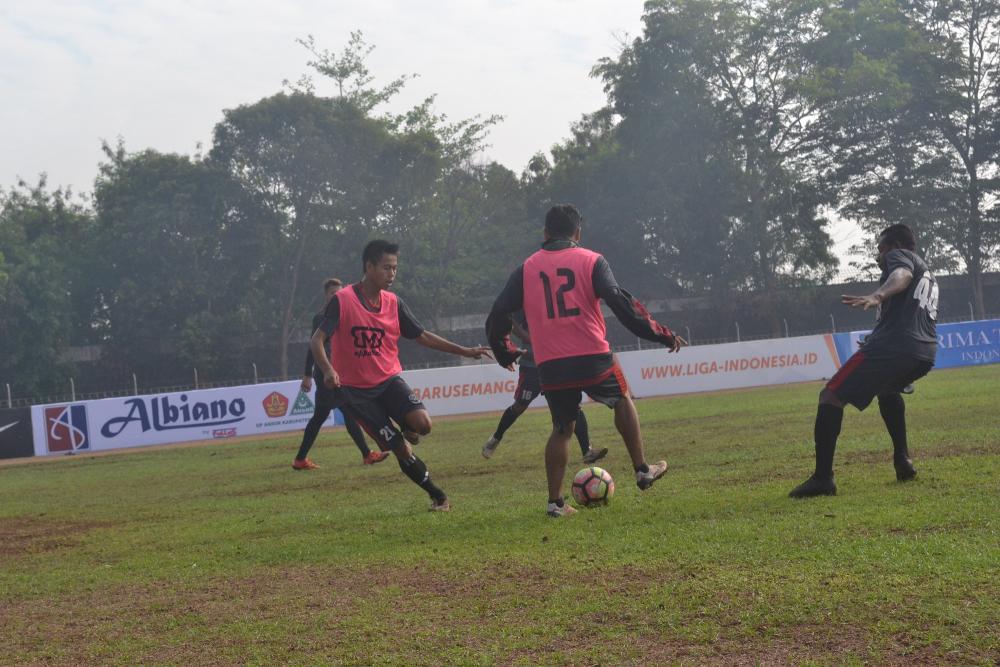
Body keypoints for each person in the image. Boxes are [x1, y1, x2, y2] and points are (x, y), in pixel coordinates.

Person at [486, 204, 686, 518]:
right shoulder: (592, 260)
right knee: (621, 399)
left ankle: (555, 503)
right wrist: (661, 334)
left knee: (562, 429)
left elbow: (498, 312)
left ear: (545, 233)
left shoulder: (526, 269)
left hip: (550, 362)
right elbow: (622, 304)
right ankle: (642, 470)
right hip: (592, 355)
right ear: (578, 232)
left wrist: (504, 351)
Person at [310, 240, 493, 512]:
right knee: (401, 448)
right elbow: (317, 340)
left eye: (395, 268)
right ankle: (438, 497)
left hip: (388, 381)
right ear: (369, 267)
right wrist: (329, 370)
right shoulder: (343, 300)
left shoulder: (394, 302)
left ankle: (408, 429)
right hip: (356, 393)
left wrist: (464, 349)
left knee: (424, 425)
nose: (392, 274)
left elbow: (421, 335)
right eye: (386, 268)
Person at [790, 224, 938, 498]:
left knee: (831, 395)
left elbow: (900, 274)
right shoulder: (927, 271)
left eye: (881, 249)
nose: (878, 256)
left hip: (893, 348)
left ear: (895, 246)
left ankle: (823, 478)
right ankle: (903, 461)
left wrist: (878, 294)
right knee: (887, 390)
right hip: (925, 352)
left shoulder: (900, 258)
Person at [482, 311, 608, 464]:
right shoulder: (527, 295)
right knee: (520, 406)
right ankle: (496, 437)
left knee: (573, 406)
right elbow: (509, 320)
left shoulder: (558, 300)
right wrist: (529, 338)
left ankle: (587, 451)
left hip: (556, 362)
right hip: (532, 366)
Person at [294, 278, 389, 470]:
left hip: (340, 373)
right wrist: (307, 374)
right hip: (327, 375)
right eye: (332, 293)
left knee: (327, 415)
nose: (336, 296)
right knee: (347, 411)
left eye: (339, 292)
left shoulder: (345, 314)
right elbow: (313, 346)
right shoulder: (321, 318)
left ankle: (300, 459)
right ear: (326, 295)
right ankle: (367, 454)